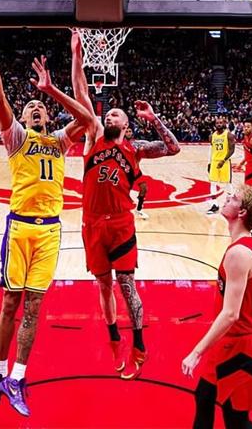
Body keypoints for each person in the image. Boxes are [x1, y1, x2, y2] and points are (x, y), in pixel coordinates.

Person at [0, 27, 93, 417]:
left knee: (35, 306)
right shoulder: (16, 137)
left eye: (39, 106)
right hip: (21, 227)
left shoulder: (59, 140)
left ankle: (17, 378)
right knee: (10, 302)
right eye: (29, 107)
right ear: (21, 118)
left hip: (50, 230)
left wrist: (52, 88)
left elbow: (88, 118)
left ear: (48, 113)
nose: (35, 108)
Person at [71, 31, 181, 380]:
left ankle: (139, 343)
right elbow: (81, 93)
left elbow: (174, 148)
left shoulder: (137, 149)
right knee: (103, 286)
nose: (111, 116)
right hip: (91, 224)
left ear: (126, 124)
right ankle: (113, 337)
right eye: (110, 114)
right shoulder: (93, 135)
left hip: (120, 224)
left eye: (117, 115)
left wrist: (155, 118)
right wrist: (76, 54)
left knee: (127, 284)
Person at [182, 185, 252, 429]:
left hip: (239, 348)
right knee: (204, 397)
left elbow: (231, 314)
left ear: (242, 212)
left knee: (236, 422)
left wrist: (196, 352)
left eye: (233, 198)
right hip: (231, 342)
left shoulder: (239, 254)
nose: (227, 198)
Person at [207, 116, 235, 214]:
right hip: (214, 161)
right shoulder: (212, 136)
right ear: (215, 125)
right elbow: (211, 150)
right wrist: (209, 162)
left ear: (224, 124)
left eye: (220, 123)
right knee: (213, 183)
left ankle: (232, 204)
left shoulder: (229, 135)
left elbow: (232, 150)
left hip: (225, 162)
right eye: (217, 123)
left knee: (227, 183)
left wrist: (223, 160)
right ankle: (214, 205)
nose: (219, 124)